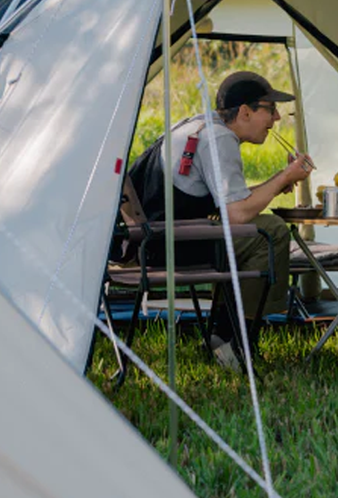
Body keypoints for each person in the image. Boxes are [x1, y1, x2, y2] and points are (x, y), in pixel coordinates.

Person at [128, 70, 313, 369]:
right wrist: (283, 178)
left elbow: (229, 201)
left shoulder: (196, 126)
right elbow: (237, 214)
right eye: (270, 109)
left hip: (150, 240)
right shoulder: (219, 139)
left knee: (251, 231)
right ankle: (238, 342)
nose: (277, 118)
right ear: (245, 112)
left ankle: (221, 336)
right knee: (271, 232)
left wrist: (279, 181)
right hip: (170, 246)